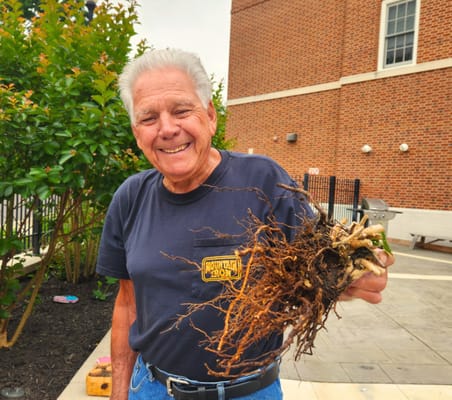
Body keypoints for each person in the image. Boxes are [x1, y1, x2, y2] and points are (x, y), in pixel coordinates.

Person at [96, 48, 394, 400]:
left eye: (181, 111)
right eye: (149, 118)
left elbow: (317, 267)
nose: (167, 129)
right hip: (154, 390)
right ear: (136, 132)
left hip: (249, 392)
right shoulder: (131, 198)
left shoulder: (263, 181)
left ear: (209, 116)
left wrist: (348, 275)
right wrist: (119, 393)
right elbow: (127, 304)